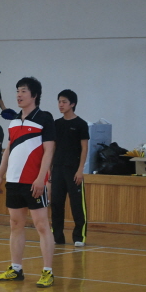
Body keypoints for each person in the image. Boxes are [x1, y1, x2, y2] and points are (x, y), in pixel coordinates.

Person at [0, 77, 56, 288]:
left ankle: (47, 271)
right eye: (17, 91)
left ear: (34, 95)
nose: (19, 95)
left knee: (42, 225)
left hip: (34, 182)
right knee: (15, 224)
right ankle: (16, 269)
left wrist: (41, 178)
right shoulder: (13, 122)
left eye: (23, 91)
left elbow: (49, 151)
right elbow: (8, 151)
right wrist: (0, 175)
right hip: (13, 180)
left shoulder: (44, 118)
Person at [50, 89, 89, 246]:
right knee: (56, 204)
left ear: (72, 104)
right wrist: (49, 168)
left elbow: (84, 148)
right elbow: (52, 147)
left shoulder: (81, 124)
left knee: (77, 204)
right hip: (57, 168)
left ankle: (79, 236)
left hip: (73, 170)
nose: (61, 105)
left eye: (64, 102)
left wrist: (80, 170)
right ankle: (57, 236)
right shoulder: (56, 124)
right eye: (59, 101)